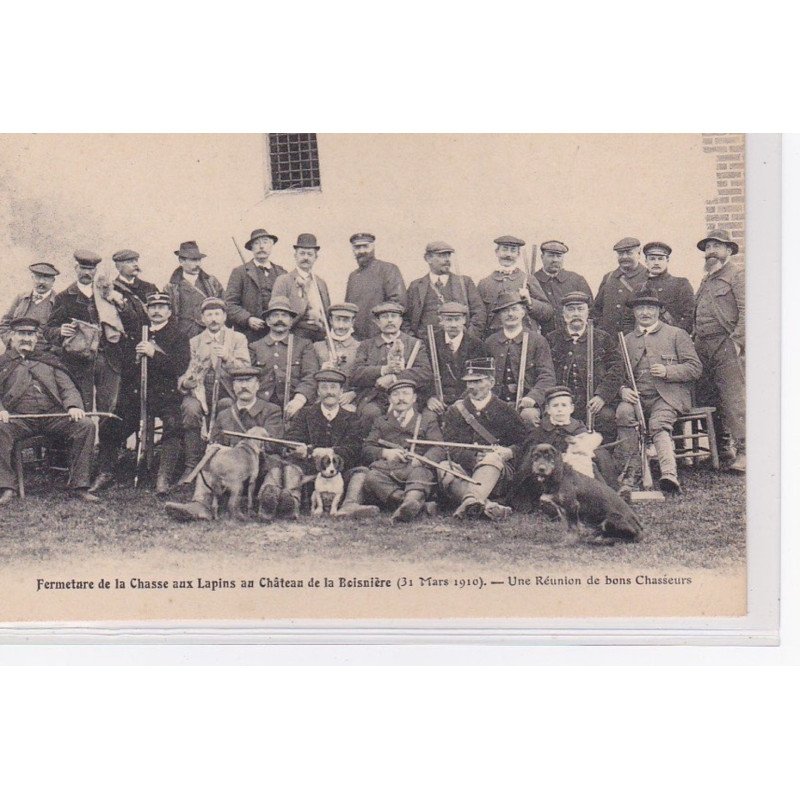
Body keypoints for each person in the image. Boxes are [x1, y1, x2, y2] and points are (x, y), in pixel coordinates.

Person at [89, 292, 191, 495]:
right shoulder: (138, 333)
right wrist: (135, 359)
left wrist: (154, 354)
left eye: (162, 307)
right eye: (153, 307)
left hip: (164, 395)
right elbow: (124, 365)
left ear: (169, 311)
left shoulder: (179, 335)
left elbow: (178, 367)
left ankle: (163, 477)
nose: (157, 311)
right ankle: (106, 471)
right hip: (137, 394)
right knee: (111, 426)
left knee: (173, 424)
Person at [165, 367, 285, 522]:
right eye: (239, 382)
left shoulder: (271, 410)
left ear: (257, 385)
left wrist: (247, 446)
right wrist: (217, 449)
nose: (243, 386)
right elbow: (216, 442)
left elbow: (273, 445)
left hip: (259, 469)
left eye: (249, 381)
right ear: (233, 387)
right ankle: (200, 505)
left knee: (274, 462)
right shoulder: (224, 415)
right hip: (231, 472)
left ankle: (267, 504)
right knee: (210, 457)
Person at [0, 318, 99, 505]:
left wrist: (74, 406)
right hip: (19, 419)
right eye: (21, 334)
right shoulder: (3, 362)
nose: (26, 339)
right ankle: (6, 487)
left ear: (36, 338)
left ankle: (80, 486)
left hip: (53, 417)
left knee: (85, 425)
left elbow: (67, 388)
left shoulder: (48, 360)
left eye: (30, 334)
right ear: (12, 337)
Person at [616, 288, 702, 494]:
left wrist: (667, 371)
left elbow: (695, 368)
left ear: (659, 311)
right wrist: (622, 391)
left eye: (650, 308)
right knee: (623, 413)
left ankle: (669, 475)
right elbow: (616, 374)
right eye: (640, 308)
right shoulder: (626, 340)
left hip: (668, 396)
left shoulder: (676, 334)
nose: (645, 312)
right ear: (634, 312)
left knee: (658, 424)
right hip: (636, 397)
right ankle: (632, 475)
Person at [45, 249, 140, 414]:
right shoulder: (65, 297)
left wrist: (121, 304)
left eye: (90, 269)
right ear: (76, 268)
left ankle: (107, 441)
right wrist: (61, 331)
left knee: (109, 409)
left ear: (95, 271)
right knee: (82, 408)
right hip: (79, 361)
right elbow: (48, 330)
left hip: (109, 359)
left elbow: (132, 321)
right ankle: (87, 440)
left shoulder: (108, 291)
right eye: (83, 268)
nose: (86, 273)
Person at [437, 358, 528, 520]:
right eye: (469, 382)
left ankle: (472, 501)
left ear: (491, 382)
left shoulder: (505, 411)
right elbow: (449, 446)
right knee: (445, 467)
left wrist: (509, 452)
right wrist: (471, 458)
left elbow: (525, 444)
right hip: (466, 469)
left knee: (492, 458)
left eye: (478, 381)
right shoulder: (455, 411)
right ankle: (485, 505)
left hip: (496, 474)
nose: (472, 387)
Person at [284, 367, 379, 519]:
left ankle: (349, 506)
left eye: (334, 387)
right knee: (291, 468)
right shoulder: (305, 413)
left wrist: (330, 452)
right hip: (308, 469)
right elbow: (291, 439)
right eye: (324, 387)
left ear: (341, 392)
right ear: (318, 392)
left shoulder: (352, 418)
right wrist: (302, 449)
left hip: (338, 473)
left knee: (361, 472)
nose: (329, 392)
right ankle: (291, 504)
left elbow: (354, 448)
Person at [177, 297, 251, 478]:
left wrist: (227, 357)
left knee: (227, 408)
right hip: (200, 391)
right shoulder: (194, 341)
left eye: (217, 314)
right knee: (190, 408)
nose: (213, 319)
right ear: (202, 318)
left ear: (225, 316)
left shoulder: (237, 338)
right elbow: (186, 372)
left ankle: (222, 464)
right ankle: (191, 464)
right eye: (209, 315)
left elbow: (245, 370)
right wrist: (186, 383)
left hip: (227, 390)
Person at [693, 229, 746, 472]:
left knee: (732, 399)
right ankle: (722, 448)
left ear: (728, 250)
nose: (710, 251)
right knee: (708, 397)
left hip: (726, 343)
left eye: (716, 246)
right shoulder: (706, 280)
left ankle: (745, 451)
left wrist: (737, 341)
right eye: (707, 247)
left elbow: (748, 310)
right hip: (702, 345)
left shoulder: (738, 275)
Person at [362, 379, 445, 522]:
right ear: (389, 399)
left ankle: (410, 501)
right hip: (390, 471)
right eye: (396, 395)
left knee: (421, 475)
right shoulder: (381, 421)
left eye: (406, 394)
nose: (401, 398)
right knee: (371, 477)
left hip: (417, 468)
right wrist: (385, 453)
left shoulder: (427, 419)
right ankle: (410, 504)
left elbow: (439, 447)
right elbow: (367, 448)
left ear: (414, 398)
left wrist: (421, 460)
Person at [545, 291, 623, 441]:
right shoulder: (552, 339)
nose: (576, 314)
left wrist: (602, 396)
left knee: (606, 418)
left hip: (593, 402)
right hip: (560, 403)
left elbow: (616, 369)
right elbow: (546, 373)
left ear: (588, 312)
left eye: (580, 309)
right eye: (571, 309)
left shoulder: (602, 338)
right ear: (563, 313)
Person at [349, 301, 433, 423]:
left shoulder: (415, 344)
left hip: (406, 398)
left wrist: (393, 378)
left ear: (400, 320)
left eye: (393, 316)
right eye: (384, 317)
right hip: (375, 398)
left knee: (409, 416)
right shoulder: (366, 345)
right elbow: (355, 374)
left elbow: (425, 373)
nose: (389, 321)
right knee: (370, 413)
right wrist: (384, 370)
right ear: (377, 322)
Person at [484, 290, 556, 426]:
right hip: (497, 401)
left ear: (523, 312)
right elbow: (483, 376)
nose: (510, 314)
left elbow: (547, 376)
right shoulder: (491, 342)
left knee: (528, 416)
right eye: (505, 311)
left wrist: (533, 397)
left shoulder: (537, 340)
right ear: (499, 315)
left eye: (514, 309)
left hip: (527, 404)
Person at [249, 297, 319, 418]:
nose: (280, 319)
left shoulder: (304, 345)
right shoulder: (255, 347)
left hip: (294, 406)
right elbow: (248, 378)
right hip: (262, 407)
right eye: (275, 315)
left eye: (284, 315)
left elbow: (310, 375)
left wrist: (299, 400)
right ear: (268, 320)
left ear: (291, 321)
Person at [404, 241, 486, 339]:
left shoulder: (464, 283)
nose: (447, 260)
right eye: (441, 256)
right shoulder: (416, 286)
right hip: (425, 345)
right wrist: (414, 342)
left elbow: (479, 314)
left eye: (448, 256)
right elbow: (405, 319)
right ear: (428, 258)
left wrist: (467, 340)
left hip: (458, 346)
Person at [477, 235, 553, 334]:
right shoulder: (485, 283)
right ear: (497, 252)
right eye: (505, 250)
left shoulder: (528, 279)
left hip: (524, 340)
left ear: (518, 254)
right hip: (495, 342)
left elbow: (548, 313)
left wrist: (530, 301)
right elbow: (479, 316)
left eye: (513, 250)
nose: (508, 254)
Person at [425, 302, 488, 413]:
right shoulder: (430, 343)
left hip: (467, 401)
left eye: (457, 319)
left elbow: (480, 380)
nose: (453, 324)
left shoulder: (476, 345)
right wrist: (429, 398)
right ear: (441, 321)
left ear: (464, 320)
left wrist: (464, 401)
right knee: (429, 419)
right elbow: (424, 376)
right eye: (449, 320)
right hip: (438, 402)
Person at [224, 228, 286, 342]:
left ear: (272, 245)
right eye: (256, 243)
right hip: (249, 336)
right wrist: (248, 319)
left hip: (277, 334)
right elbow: (229, 304)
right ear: (251, 248)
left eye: (265, 242)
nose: (261, 246)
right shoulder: (239, 272)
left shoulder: (282, 273)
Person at [344, 233, 406, 340]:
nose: (362, 251)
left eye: (365, 246)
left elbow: (397, 304)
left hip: (382, 336)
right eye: (357, 247)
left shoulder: (388, 269)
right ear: (353, 250)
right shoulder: (353, 276)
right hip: (358, 338)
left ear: (373, 247)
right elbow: (350, 308)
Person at [271, 234, 331, 342]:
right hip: (295, 335)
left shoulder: (321, 283)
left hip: (320, 336)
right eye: (302, 253)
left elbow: (326, 314)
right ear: (295, 256)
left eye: (310, 254)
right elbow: (276, 314)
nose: (306, 258)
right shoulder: (284, 280)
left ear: (315, 257)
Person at [164, 241, 225, 340]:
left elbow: (224, 306)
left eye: (199, 260)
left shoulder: (212, 282)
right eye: (193, 260)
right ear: (181, 261)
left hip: (208, 334)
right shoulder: (170, 287)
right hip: (182, 336)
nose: (198, 264)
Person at [533, 241, 594, 334]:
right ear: (542, 257)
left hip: (572, 337)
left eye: (559, 256)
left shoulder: (577, 280)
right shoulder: (533, 280)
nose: (555, 260)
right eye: (550, 256)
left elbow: (590, 310)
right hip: (542, 337)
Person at [592, 237, 649, 337]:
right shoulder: (609, 277)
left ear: (639, 254)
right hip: (609, 341)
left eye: (629, 253)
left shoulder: (648, 277)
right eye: (620, 253)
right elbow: (597, 309)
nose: (624, 257)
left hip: (637, 340)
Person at [0, 263, 60, 350]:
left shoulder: (59, 302)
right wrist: (11, 341)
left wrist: (49, 349)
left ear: (53, 281)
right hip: (16, 351)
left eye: (46, 278)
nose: (41, 281)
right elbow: (4, 324)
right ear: (32, 278)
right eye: (38, 277)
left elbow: (61, 333)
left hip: (44, 355)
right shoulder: (20, 298)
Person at [312, 303, 361, 408]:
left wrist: (354, 394)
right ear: (330, 321)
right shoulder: (317, 346)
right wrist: (321, 369)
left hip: (347, 401)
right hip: (321, 400)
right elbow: (308, 375)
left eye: (346, 320)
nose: (341, 326)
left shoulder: (360, 347)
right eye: (337, 319)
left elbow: (364, 378)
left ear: (353, 322)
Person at [642, 241, 694, 333]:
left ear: (667, 260)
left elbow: (689, 317)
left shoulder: (680, 284)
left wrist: (676, 336)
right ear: (646, 261)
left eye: (660, 259)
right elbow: (630, 318)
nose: (656, 263)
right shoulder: (640, 287)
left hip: (671, 339)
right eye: (652, 259)